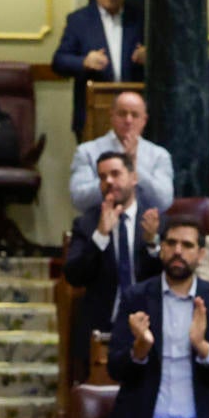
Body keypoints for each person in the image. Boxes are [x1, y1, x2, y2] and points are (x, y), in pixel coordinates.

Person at [104, 216, 209, 418]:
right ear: (161, 249)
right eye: (171, 243)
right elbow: (114, 368)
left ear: (200, 255)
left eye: (187, 245)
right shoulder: (136, 297)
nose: (177, 251)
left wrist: (202, 347)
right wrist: (139, 350)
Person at [64, 151, 160, 382]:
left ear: (133, 177)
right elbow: (74, 276)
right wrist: (100, 236)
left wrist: (152, 245)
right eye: (102, 177)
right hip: (102, 325)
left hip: (151, 325)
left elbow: (170, 277)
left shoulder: (156, 220)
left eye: (115, 174)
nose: (108, 182)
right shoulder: (87, 223)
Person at [52, 0, 143, 136]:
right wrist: (84, 61)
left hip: (133, 114)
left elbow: (165, 63)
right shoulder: (79, 20)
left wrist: (149, 55)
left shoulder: (140, 18)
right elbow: (59, 62)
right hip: (93, 112)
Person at [69, 91, 173, 214]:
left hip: (143, 227)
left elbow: (164, 201)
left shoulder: (159, 155)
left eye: (134, 115)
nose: (128, 120)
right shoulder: (87, 151)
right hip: (98, 224)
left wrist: (134, 169)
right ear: (111, 115)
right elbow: (78, 198)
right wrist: (112, 179)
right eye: (122, 114)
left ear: (144, 120)